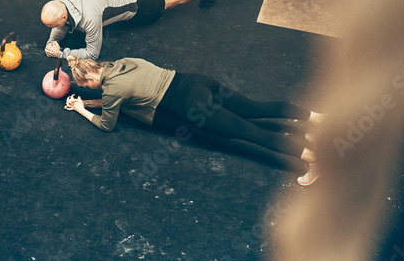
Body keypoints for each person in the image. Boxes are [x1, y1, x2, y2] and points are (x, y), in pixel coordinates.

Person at [62, 55, 323, 185]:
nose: (92, 90)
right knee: (255, 108)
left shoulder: (112, 90)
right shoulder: (122, 62)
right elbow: (117, 98)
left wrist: (81, 109)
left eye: (87, 87)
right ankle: (317, 118)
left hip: (194, 106)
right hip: (196, 81)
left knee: (249, 132)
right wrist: (86, 101)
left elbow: (107, 124)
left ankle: (313, 159)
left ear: (89, 80)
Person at [42, 0, 222, 60]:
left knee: (171, 0)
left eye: (52, 25)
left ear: (63, 16)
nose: (52, 28)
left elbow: (92, 54)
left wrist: (61, 53)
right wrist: (52, 41)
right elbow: (61, 23)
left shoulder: (90, 17)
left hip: (134, 3)